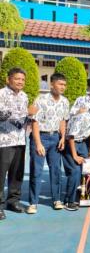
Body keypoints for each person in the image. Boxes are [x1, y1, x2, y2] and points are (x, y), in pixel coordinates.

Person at [27, 73, 69, 214]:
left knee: (56, 170)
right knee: (36, 171)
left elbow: (63, 120)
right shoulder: (41, 100)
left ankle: (56, 199)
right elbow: (35, 122)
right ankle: (33, 203)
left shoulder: (65, 101)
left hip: (56, 138)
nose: (63, 87)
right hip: (41, 138)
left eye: (64, 84)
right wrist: (38, 144)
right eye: (60, 84)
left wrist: (63, 137)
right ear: (52, 84)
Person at [63, 100, 90, 211]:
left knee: (88, 169)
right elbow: (71, 136)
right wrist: (75, 155)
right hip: (72, 143)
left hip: (83, 143)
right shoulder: (83, 117)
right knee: (75, 171)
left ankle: (86, 197)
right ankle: (68, 201)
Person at [0, 68, 31, 220]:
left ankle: (13, 201)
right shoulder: (1, 94)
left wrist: (30, 117)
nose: (20, 82)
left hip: (20, 139)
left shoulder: (25, 96)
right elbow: (2, 114)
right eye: (17, 79)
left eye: (22, 80)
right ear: (8, 79)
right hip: (4, 141)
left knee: (17, 173)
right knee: (1, 174)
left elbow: (24, 120)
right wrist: (25, 114)